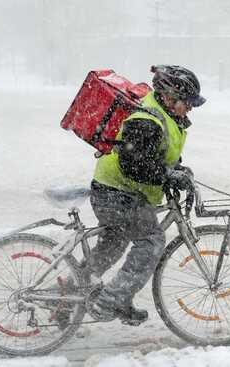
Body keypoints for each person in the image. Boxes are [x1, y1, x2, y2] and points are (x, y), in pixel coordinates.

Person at [84, 65, 206, 325]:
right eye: (188, 103)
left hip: (115, 190)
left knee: (112, 246)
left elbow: (156, 155)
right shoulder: (147, 119)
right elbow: (134, 164)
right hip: (117, 192)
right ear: (170, 97)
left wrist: (176, 170)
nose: (190, 109)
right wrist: (167, 175)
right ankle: (110, 301)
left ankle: (66, 296)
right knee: (151, 241)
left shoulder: (164, 116)